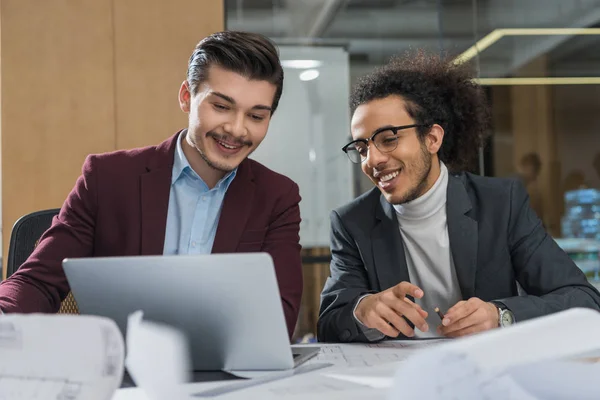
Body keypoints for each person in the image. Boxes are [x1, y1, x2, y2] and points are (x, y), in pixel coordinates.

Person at [0, 31, 303, 338]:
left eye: (255, 115)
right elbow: (36, 281)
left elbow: (279, 317)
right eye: (221, 107)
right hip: (126, 374)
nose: (237, 130)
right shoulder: (108, 179)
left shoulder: (277, 197)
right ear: (187, 97)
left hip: (231, 376)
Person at [317, 50, 600, 343]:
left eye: (388, 140)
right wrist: (362, 310)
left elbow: (584, 300)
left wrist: (500, 315)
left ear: (433, 138)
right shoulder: (352, 222)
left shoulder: (501, 204)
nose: (372, 160)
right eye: (362, 149)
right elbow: (328, 322)